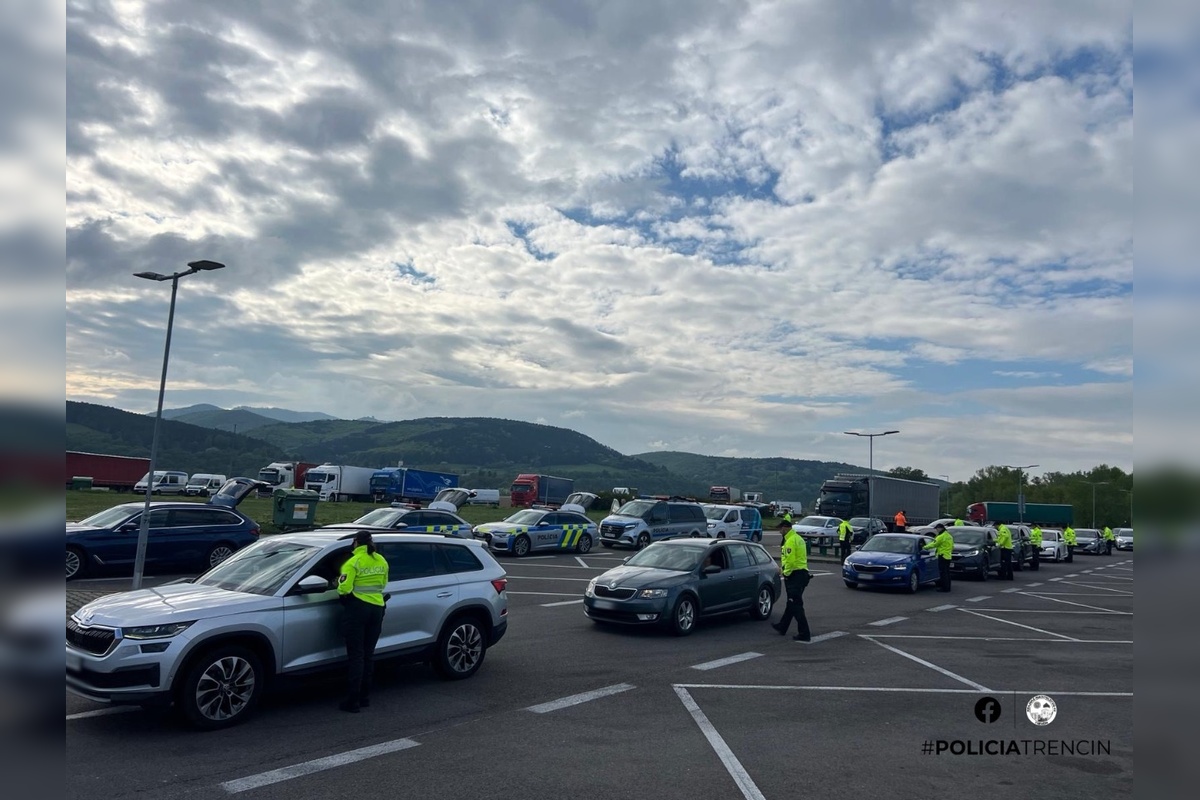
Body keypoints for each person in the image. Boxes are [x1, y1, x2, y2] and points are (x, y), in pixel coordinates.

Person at [337, 530, 389, 713]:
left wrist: (342, 590)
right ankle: (365, 697)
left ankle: (353, 700)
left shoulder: (353, 562)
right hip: (377, 608)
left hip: (357, 609)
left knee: (356, 656)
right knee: (368, 655)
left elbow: (344, 588)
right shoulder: (381, 560)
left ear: (355, 542)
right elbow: (383, 584)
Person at [772, 523, 812, 641]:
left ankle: (805, 633)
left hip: (795, 575)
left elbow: (790, 561)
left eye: (780, 529)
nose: (779, 531)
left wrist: (785, 573)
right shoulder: (798, 539)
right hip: (802, 574)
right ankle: (782, 626)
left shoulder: (790, 541)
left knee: (796, 605)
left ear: (785, 528)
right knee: (792, 602)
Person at [923, 523, 954, 592]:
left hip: (942, 555)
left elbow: (934, 544)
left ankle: (944, 588)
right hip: (948, 556)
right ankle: (947, 587)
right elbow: (952, 546)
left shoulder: (941, 536)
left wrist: (925, 547)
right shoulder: (949, 536)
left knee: (943, 573)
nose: (936, 530)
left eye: (937, 529)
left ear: (940, 528)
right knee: (947, 573)